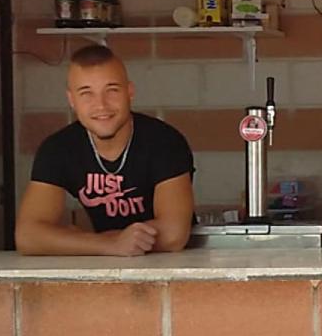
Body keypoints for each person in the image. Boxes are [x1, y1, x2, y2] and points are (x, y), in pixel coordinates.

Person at [16, 44, 195, 256]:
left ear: (130, 92)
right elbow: (28, 237)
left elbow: (174, 234)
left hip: (171, 270)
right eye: (86, 93)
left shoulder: (164, 141)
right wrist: (110, 244)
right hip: (105, 264)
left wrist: (74, 240)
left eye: (112, 91)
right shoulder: (58, 148)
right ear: (72, 100)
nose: (101, 105)